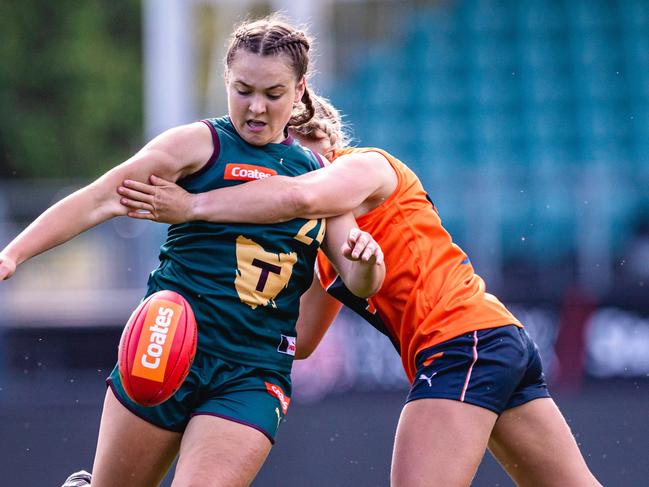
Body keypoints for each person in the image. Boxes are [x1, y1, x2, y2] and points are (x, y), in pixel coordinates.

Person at [119, 94, 603, 487]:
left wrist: (193, 205)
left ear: (329, 142)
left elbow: (301, 194)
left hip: (462, 343)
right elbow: (304, 341)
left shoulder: (365, 166)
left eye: (306, 153)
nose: (295, 167)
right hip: (493, 340)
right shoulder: (325, 243)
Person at [0, 17, 385, 487]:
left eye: (273, 93)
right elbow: (100, 198)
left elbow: (359, 281)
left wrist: (368, 262)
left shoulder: (321, 178)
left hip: (252, 372)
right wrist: (13, 254)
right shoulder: (198, 145)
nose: (256, 107)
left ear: (300, 89)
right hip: (166, 341)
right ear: (226, 81)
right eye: (243, 90)